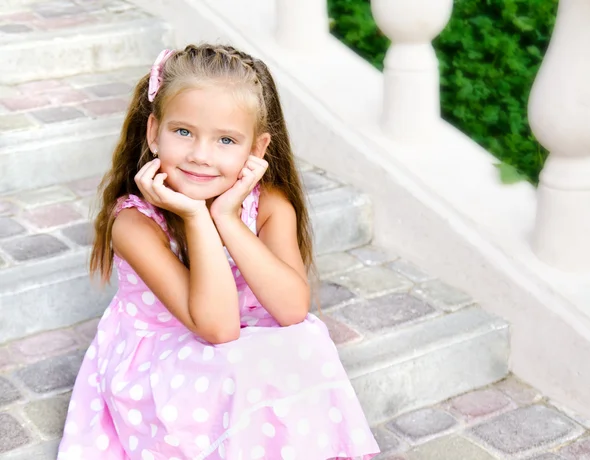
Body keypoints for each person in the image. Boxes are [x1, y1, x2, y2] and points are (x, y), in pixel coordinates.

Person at [57, 43, 380, 460]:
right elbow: (218, 329)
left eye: (226, 139)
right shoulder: (134, 224)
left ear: (257, 150)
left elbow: (292, 309)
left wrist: (227, 218)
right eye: (183, 132)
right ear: (154, 133)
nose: (200, 156)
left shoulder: (269, 204)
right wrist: (195, 216)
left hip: (243, 345)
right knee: (239, 364)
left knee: (307, 341)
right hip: (163, 359)